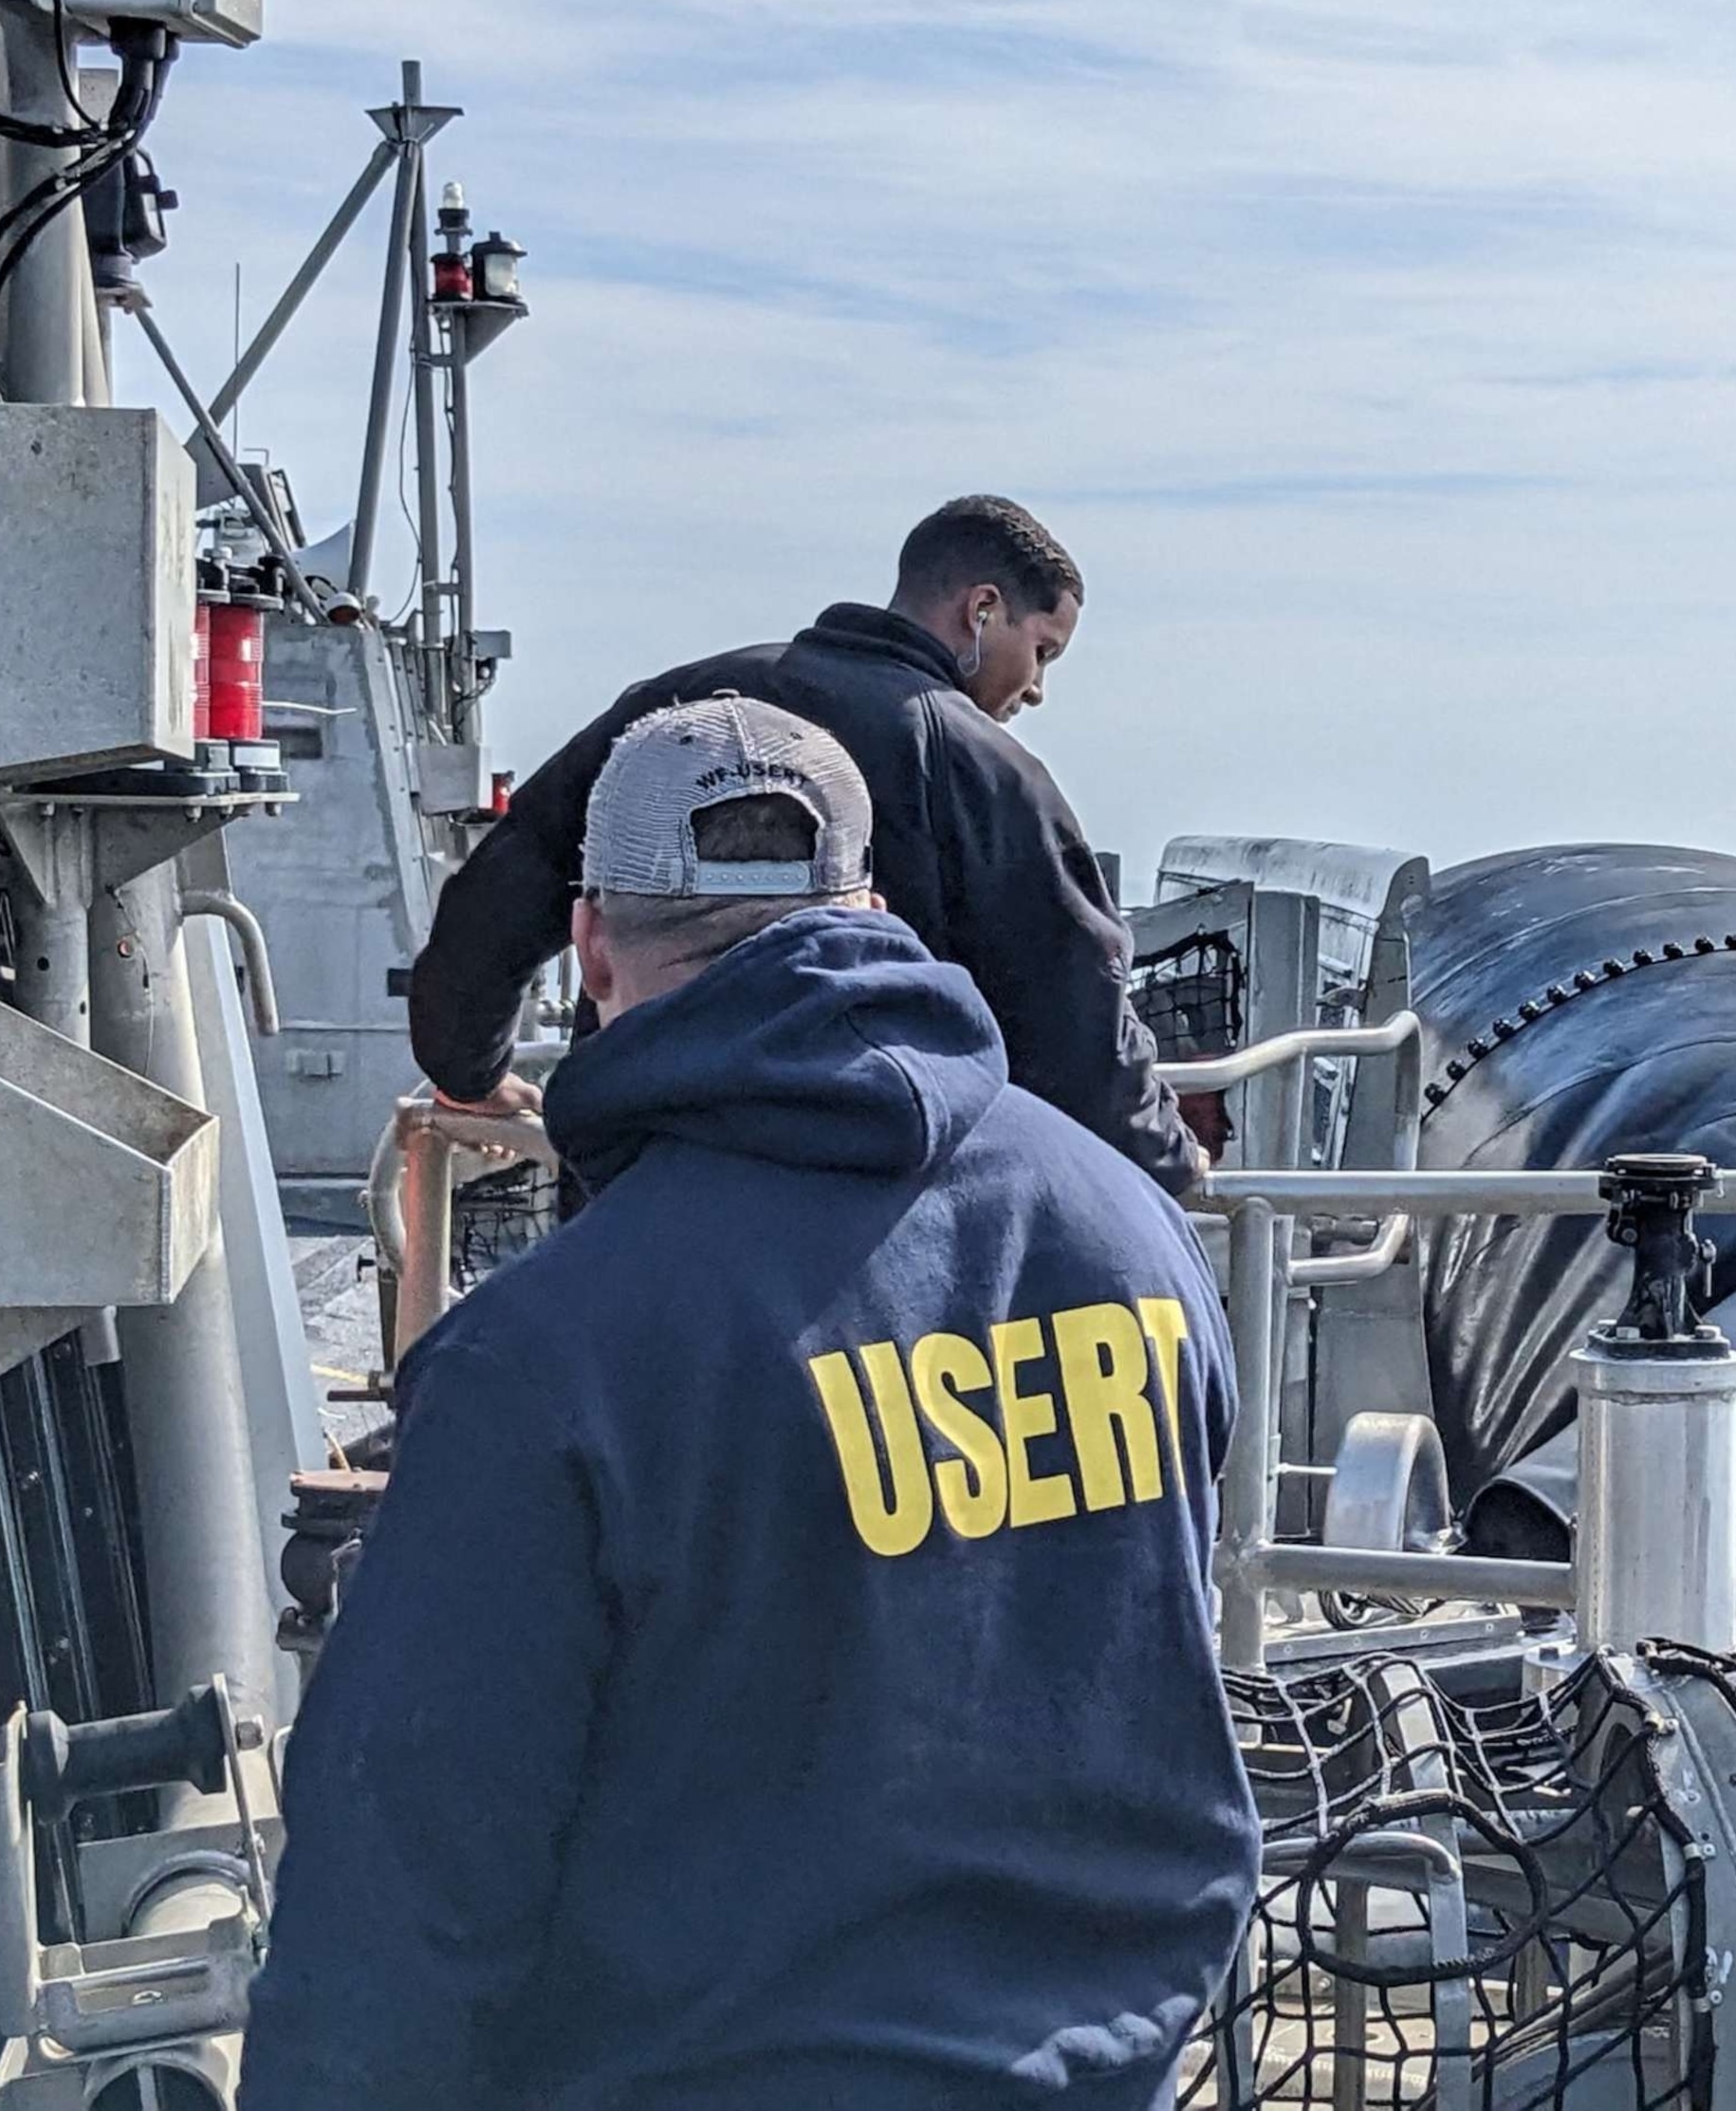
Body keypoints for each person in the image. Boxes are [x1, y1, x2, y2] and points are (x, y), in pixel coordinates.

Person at [243, 697, 1259, 2109]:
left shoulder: (546, 1360)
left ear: (591, 942)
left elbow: (403, 1896)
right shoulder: (1136, 1238)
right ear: (878, 907)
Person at [408, 493, 1205, 1194]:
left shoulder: (677, 706)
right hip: (869, 1232)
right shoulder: (993, 775)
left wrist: (467, 1071)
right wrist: (1171, 1163)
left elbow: (507, 886)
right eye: (1042, 651)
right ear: (982, 609)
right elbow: (1076, 1017)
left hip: (639, 1196)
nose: (1036, 687)